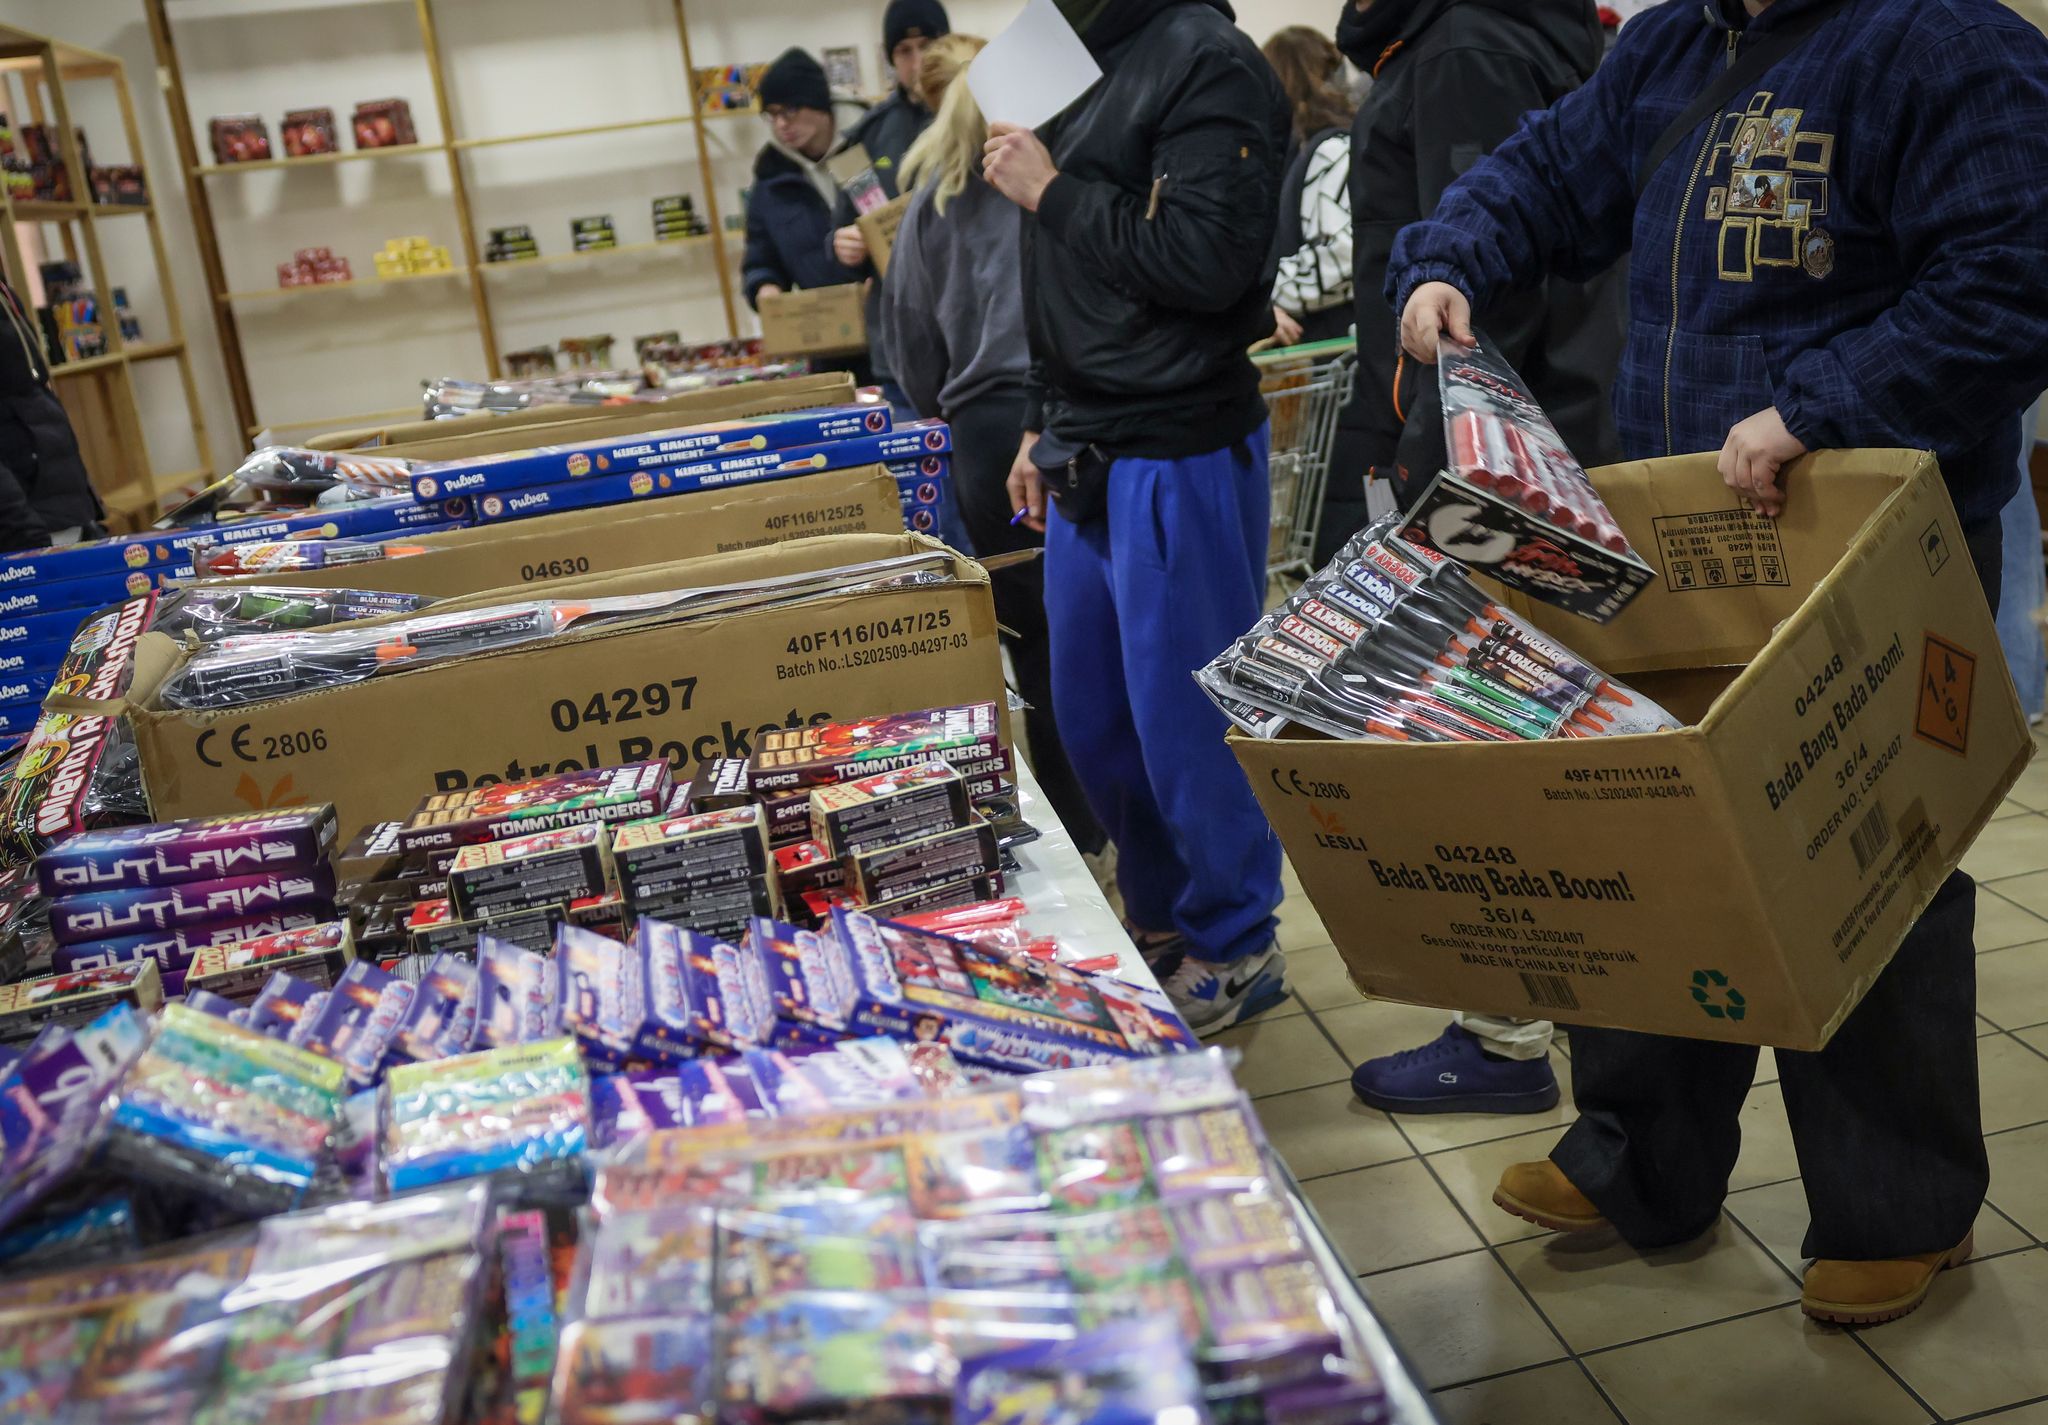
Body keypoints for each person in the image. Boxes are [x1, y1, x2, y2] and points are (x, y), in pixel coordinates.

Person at [1390, 0, 2048, 1325]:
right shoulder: (1670, 47)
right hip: (1678, 545)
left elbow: (2020, 269)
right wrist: (1450, 257)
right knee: (1658, 850)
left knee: (1863, 868)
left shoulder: (1942, 39)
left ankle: (1896, 1205)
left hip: (1862, 536)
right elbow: (1546, 169)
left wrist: (1828, 403)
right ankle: (1643, 1160)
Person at [1336, 0, 1624, 1120]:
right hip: (1532, 445)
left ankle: (1509, 1032)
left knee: (1491, 738)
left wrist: (1422, 467)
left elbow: (1475, 308)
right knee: (1525, 735)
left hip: (1489, 462)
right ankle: (1531, 1020)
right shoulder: (1496, 32)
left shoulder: (1465, 46)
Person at [981, 0, 1293, 1034]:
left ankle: (1235, 938)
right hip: (1084, 443)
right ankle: (1160, 920)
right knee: (1099, 722)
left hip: (1179, 442)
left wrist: (1053, 190)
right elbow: (1057, 270)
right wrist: (1038, 417)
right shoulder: (1070, 53)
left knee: (1187, 725)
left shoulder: (1205, 60)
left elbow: (1207, 264)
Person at [880, 35, 1108, 867]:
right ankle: (1135, 828)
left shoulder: (931, 206)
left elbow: (907, 345)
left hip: (982, 441)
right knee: (1105, 634)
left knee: (1035, 648)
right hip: (1074, 417)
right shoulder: (1058, 177)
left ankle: (1085, 839)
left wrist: (953, 408)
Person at [1261, 26, 1374, 567]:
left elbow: (1344, 255)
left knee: (1338, 533)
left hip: (1341, 372)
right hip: (1327, 378)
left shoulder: (1331, 150)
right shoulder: (1316, 150)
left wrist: (1267, 295)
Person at [828, 0, 951, 411]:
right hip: (900, 349)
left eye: (927, 45)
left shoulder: (978, 114)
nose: (917, 61)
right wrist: (843, 245)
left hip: (979, 338)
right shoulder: (866, 137)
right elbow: (842, 229)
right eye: (904, 51)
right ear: (890, 58)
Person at [740, 49, 864, 314]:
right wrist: (765, 286)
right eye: (772, 115)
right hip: (828, 332)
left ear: (819, 104)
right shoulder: (771, 178)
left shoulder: (873, 146)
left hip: (897, 325)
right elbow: (760, 255)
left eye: (791, 110)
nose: (781, 124)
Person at [0, 275, 100, 551]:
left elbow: (34, 394)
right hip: (31, 533)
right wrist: (26, 532)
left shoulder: (5, 289)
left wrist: (90, 505)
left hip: (68, 516)